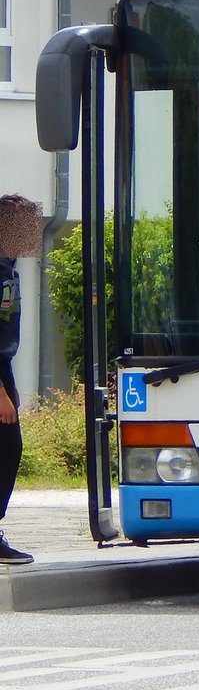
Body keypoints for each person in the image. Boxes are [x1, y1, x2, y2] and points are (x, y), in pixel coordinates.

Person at [0, 194, 43, 564]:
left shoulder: (8, 267)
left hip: (4, 368)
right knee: (7, 449)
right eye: (28, 225)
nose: (34, 234)